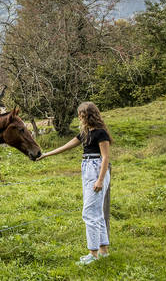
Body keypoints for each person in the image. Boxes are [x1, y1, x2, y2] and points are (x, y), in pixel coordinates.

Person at [38, 101, 112, 265]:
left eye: (81, 115)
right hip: (86, 168)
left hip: (96, 169)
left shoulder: (101, 133)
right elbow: (67, 146)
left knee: (89, 212)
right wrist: (46, 154)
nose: (79, 117)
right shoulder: (85, 133)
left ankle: (92, 254)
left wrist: (100, 179)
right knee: (96, 212)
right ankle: (103, 251)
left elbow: (105, 157)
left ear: (89, 115)